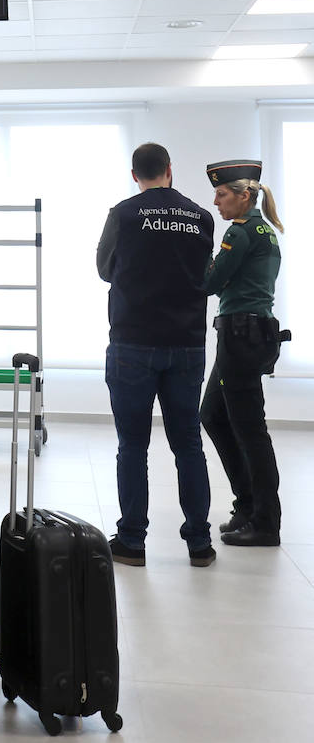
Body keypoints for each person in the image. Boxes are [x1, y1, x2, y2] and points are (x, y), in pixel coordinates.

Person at [96, 142, 216, 567]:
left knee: (132, 446)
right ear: (169, 169)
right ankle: (200, 543)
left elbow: (104, 270)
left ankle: (132, 541)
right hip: (187, 344)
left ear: (135, 175)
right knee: (188, 444)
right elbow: (205, 273)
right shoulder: (200, 217)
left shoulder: (123, 215)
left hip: (132, 343)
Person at [200, 160, 285, 548]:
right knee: (213, 415)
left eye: (221, 194)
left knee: (251, 431)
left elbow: (211, 282)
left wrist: (200, 257)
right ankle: (248, 505)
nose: (216, 202)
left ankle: (265, 522)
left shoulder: (241, 231)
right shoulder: (264, 231)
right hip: (249, 334)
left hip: (240, 337)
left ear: (244, 195)